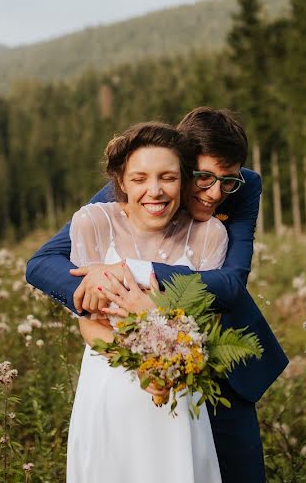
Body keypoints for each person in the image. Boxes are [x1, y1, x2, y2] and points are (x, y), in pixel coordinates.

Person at [26, 107, 289, 483]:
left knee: (237, 471)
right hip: (130, 372)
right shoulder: (142, 180)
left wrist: (133, 273)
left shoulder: (245, 186)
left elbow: (231, 284)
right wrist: (98, 292)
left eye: (226, 181)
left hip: (225, 356)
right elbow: (41, 263)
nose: (215, 193)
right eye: (202, 178)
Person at [66, 121, 226, 482]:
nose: (154, 191)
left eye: (167, 177)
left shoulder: (208, 235)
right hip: (108, 388)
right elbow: (89, 322)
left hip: (178, 394)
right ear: (121, 182)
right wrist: (141, 363)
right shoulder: (93, 222)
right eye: (140, 179)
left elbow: (206, 326)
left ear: (183, 179)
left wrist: (164, 355)